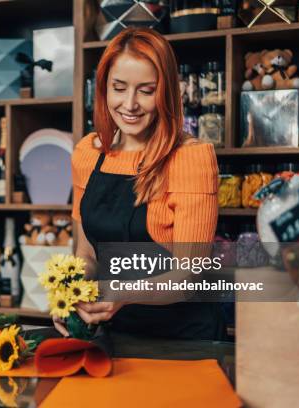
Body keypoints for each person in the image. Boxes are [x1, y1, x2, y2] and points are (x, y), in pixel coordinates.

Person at [54, 27, 225, 340]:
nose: (130, 104)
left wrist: (120, 292)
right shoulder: (86, 154)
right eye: (119, 88)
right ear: (104, 88)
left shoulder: (191, 158)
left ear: (166, 94)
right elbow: (87, 252)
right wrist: (72, 291)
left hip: (183, 337)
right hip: (114, 331)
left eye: (146, 91)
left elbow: (189, 274)